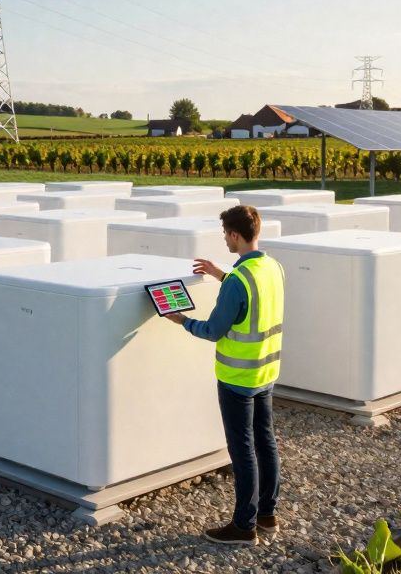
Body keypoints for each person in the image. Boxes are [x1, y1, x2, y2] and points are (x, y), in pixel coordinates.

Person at [163, 204, 284, 546]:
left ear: (234, 234)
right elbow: (252, 296)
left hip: (237, 378)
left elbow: (214, 329)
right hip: (267, 371)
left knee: (242, 449)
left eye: (225, 235)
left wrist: (182, 320)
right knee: (266, 440)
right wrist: (220, 274)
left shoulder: (238, 281)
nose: (225, 241)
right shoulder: (271, 267)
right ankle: (267, 515)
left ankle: (243, 527)